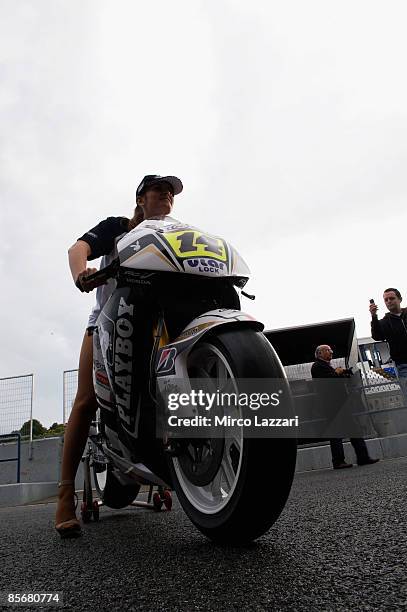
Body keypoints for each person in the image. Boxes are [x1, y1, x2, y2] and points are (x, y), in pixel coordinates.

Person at [55, 174, 183, 538]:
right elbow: (76, 248)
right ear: (140, 197)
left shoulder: (174, 233)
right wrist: (81, 272)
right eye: (159, 189)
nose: (167, 195)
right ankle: (64, 496)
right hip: (108, 324)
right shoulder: (118, 228)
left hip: (155, 329)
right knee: (85, 401)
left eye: (171, 192)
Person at [311, 345, 379, 470]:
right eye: (327, 350)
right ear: (319, 353)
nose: (331, 352)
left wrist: (343, 374)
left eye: (331, 350)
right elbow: (327, 383)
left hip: (340, 405)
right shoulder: (317, 366)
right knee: (336, 433)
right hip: (332, 406)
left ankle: (362, 457)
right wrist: (336, 372)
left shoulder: (326, 366)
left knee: (354, 430)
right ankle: (339, 461)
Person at [369, 288, 407, 378]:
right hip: (403, 365)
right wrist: (374, 316)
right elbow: (377, 336)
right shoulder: (384, 322)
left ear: (400, 299)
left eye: (392, 298)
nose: (389, 301)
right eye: (386, 300)